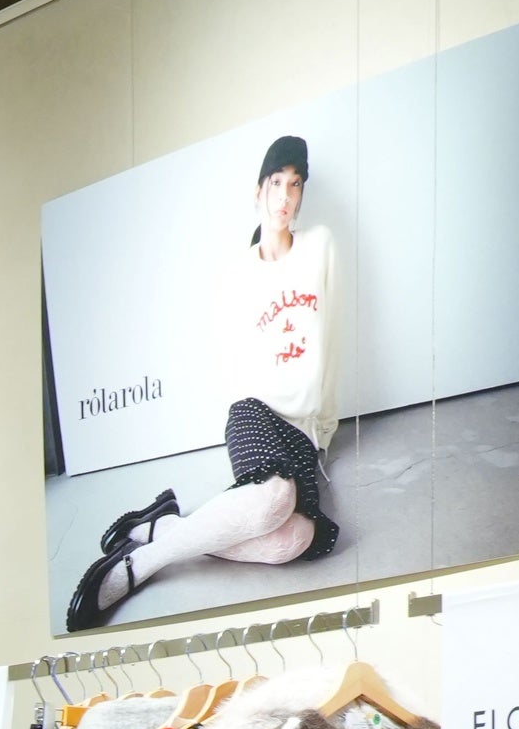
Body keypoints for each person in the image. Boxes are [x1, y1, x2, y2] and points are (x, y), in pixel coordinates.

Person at [65, 135, 340, 631]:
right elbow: (235, 359)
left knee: (293, 539)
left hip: (303, 427)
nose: (285, 196)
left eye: (295, 184)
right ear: (257, 190)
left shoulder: (320, 246)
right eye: (276, 182)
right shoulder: (239, 272)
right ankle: (137, 566)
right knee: (274, 500)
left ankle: (163, 525)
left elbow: (332, 339)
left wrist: (324, 429)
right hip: (255, 409)